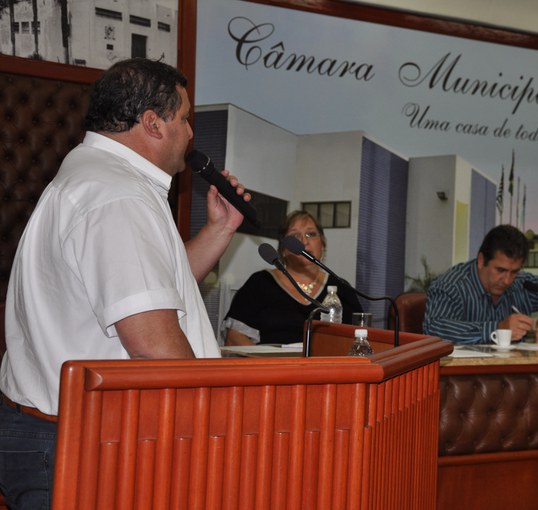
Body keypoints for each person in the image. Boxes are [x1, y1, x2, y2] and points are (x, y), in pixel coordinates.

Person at [0, 58, 248, 509]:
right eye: (184, 119)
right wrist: (214, 422)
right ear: (152, 123)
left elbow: (153, 291)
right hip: (78, 442)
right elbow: (153, 346)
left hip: (64, 433)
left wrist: (219, 230)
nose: (191, 132)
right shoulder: (116, 195)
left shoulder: (102, 178)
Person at [423, 225, 538, 344]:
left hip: (512, 375)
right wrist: (498, 329)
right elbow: (434, 329)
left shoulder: (520, 283)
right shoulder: (452, 286)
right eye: (500, 270)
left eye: (514, 271)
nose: (507, 280)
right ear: (481, 260)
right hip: (463, 376)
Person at [223, 210, 363, 345]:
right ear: (283, 250)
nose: (304, 241)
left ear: (322, 244)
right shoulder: (261, 282)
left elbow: (361, 338)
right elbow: (234, 338)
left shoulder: (341, 288)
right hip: (272, 361)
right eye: (295, 236)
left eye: (311, 234)